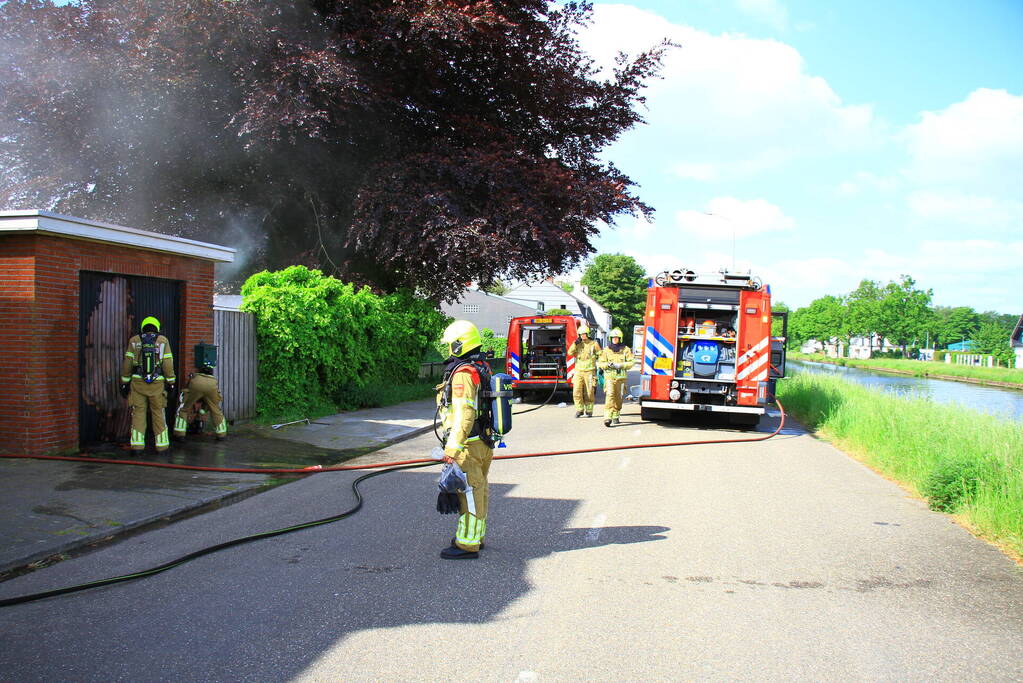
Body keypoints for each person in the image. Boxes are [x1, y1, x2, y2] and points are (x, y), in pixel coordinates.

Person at [436, 320, 495, 560]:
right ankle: (475, 535)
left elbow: (464, 413)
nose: (448, 348)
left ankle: (467, 545)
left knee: (469, 493)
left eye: (450, 344)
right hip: (482, 441)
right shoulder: (480, 366)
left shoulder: (463, 374)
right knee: (479, 490)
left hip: (467, 444)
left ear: (459, 345)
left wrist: (453, 447)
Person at [120, 316, 176, 453]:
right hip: (157, 383)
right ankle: (162, 446)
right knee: (158, 412)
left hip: (137, 382)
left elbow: (127, 363)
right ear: (157, 327)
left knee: (138, 412)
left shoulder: (134, 340)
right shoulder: (163, 341)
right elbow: (168, 364)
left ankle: (137, 446)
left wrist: (124, 382)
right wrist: (171, 382)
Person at [173, 358, 226, 441]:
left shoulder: (196, 376)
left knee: (183, 409)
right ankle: (221, 434)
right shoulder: (212, 376)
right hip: (212, 385)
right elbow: (217, 398)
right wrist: (204, 408)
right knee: (216, 410)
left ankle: (179, 434)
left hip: (196, 383)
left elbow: (187, 390)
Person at [597, 327, 635, 427]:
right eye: (613, 338)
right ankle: (607, 417)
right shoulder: (606, 350)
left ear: (620, 339)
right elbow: (601, 363)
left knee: (619, 398)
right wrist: (606, 365)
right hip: (609, 377)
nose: (615, 339)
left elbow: (631, 362)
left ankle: (616, 414)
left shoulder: (626, 350)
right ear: (611, 338)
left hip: (621, 379)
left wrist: (621, 365)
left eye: (617, 338)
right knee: (610, 395)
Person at [570, 324, 601, 418]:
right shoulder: (577, 343)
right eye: (581, 334)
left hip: (590, 371)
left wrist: (601, 365)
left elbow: (600, 354)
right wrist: (575, 344)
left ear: (587, 334)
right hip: (578, 371)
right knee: (576, 391)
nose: (583, 336)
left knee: (589, 392)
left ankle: (589, 410)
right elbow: (570, 352)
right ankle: (579, 410)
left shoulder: (593, 343)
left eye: (584, 334)